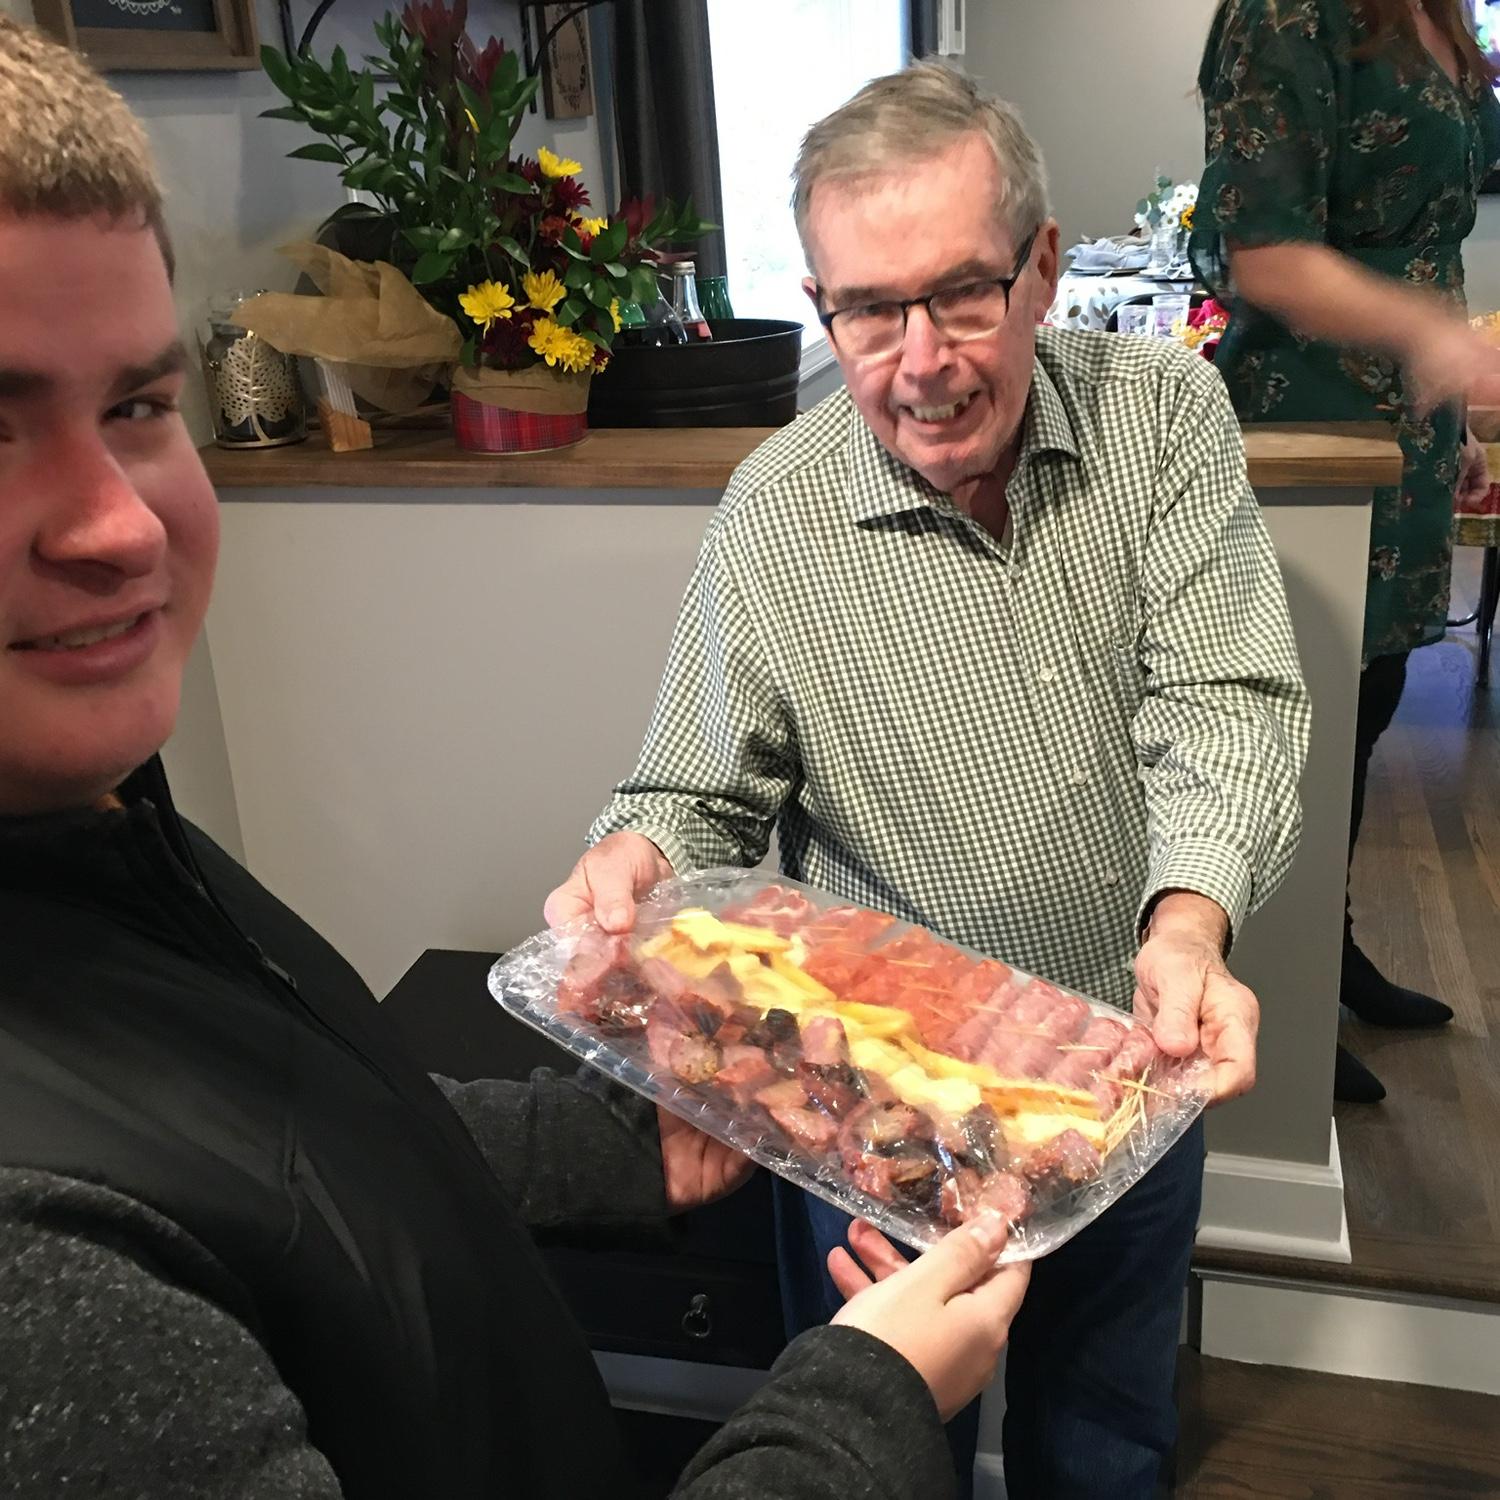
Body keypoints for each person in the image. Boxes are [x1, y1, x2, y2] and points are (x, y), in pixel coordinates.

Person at [0, 20, 1033, 1499]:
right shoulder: (31, 1279)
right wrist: (858, 1406)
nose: (113, 525)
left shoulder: (99, 824)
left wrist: (619, 1150)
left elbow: (292, 1144)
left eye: (139, 407)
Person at [546, 60, 1310, 1500]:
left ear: (1039, 268)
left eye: (961, 293)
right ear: (826, 306)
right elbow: (694, 795)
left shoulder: (1165, 424)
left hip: (1119, 1074)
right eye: (869, 310)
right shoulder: (777, 511)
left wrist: (1191, 925)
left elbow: (1225, 698)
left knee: (1108, 1435)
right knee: (880, 1448)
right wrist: (635, 857)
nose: (919, 361)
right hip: (868, 1111)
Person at [1193, 0, 1500, 1103]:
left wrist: (1453, 418)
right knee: (1286, 732)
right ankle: (1266, 981)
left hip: (1403, 435)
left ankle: (1330, 945)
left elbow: (1430, 250)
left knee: (1365, 710)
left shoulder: (1441, 15)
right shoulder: (1292, 10)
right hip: (1305, 429)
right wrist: (1436, 342)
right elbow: (1263, 253)